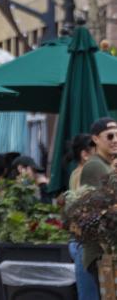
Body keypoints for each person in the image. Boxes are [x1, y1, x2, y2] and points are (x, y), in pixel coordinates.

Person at [79, 117, 117, 294]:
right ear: (95, 139)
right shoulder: (95, 166)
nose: (115, 140)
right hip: (102, 252)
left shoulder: (107, 165)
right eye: (110, 136)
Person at [66, 133, 98, 300]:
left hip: (78, 242)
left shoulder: (76, 173)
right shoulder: (85, 173)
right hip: (84, 244)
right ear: (85, 154)